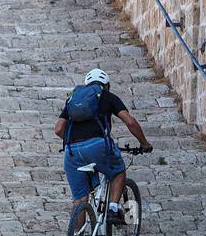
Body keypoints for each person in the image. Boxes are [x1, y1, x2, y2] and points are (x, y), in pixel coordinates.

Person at [53, 68, 152, 215]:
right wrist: (144, 143)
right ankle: (113, 208)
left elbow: (58, 129)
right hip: (97, 146)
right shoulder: (108, 97)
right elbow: (130, 122)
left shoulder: (73, 99)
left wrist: (76, 143)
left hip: (72, 151)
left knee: (79, 199)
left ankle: (78, 230)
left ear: (87, 85)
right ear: (106, 85)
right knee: (118, 171)